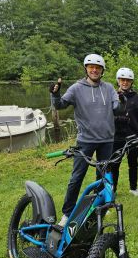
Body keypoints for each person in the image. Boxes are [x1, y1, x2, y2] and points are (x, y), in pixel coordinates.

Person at [50, 53, 126, 226]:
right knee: (77, 177)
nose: (94, 70)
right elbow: (60, 105)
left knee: (103, 177)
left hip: (107, 140)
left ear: (102, 71)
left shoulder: (108, 88)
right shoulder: (76, 88)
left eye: (98, 68)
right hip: (85, 140)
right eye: (91, 67)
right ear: (86, 69)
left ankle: (100, 209)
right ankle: (67, 213)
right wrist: (55, 94)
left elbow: (117, 108)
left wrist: (121, 102)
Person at [110, 67, 138, 198]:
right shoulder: (113, 96)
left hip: (133, 136)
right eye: (122, 80)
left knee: (133, 164)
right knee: (114, 165)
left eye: (128, 80)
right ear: (118, 81)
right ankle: (112, 191)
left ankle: (133, 188)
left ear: (132, 82)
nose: (125, 82)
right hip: (117, 137)